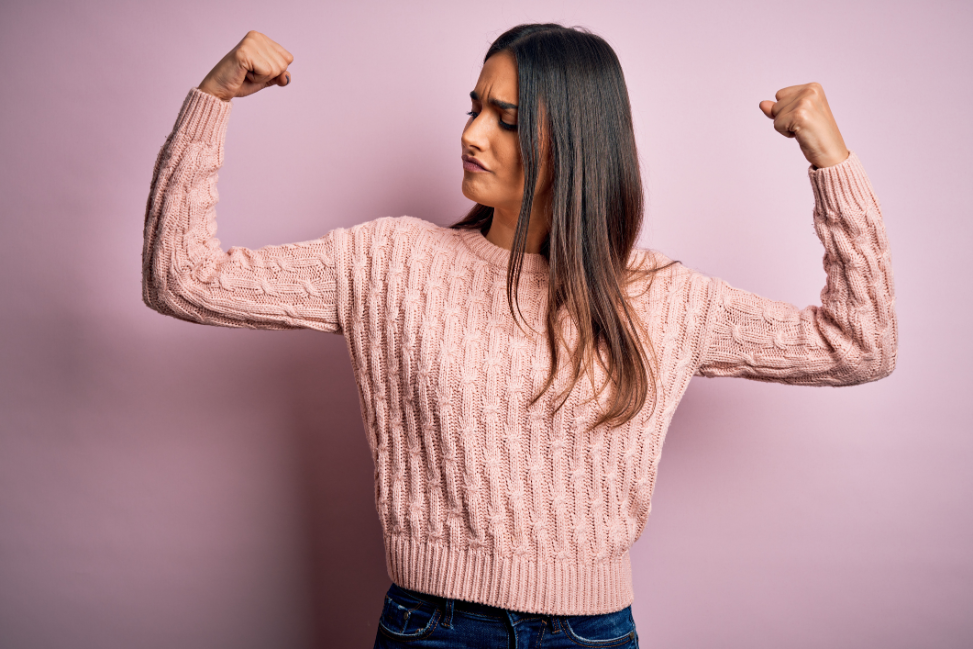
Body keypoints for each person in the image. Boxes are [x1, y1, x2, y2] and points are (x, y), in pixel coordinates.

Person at [142, 24, 896, 649]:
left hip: (592, 632)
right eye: (472, 107)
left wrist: (829, 158)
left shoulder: (662, 296)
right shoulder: (388, 261)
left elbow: (858, 344)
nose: (471, 135)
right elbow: (181, 278)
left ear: (575, 141)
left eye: (504, 118)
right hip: (429, 626)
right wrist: (213, 100)